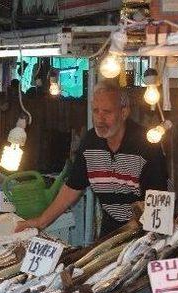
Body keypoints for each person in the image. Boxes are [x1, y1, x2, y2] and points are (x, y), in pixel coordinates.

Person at [15, 80, 168, 237]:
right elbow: (72, 187)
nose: (99, 119)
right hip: (111, 228)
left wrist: (153, 240)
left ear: (124, 112)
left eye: (107, 112)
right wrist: (41, 222)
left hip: (147, 230)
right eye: (96, 111)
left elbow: (159, 201)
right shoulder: (90, 143)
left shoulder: (147, 145)